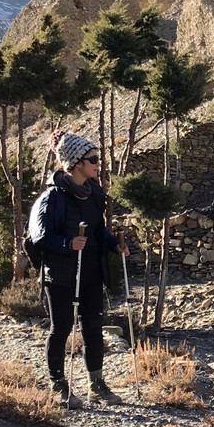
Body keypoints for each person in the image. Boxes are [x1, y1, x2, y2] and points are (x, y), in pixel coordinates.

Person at [29, 130, 128, 406]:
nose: (98, 163)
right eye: (93, 159)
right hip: (60, 273)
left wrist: (114, 245)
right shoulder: (51, 198)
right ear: (76, 163)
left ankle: (97, 385)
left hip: (91, 271)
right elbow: (39, 237)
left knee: (93, 327)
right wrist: (68, 243)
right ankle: (58, 386)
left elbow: (97, 231)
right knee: (61, 328)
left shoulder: (93, 192)